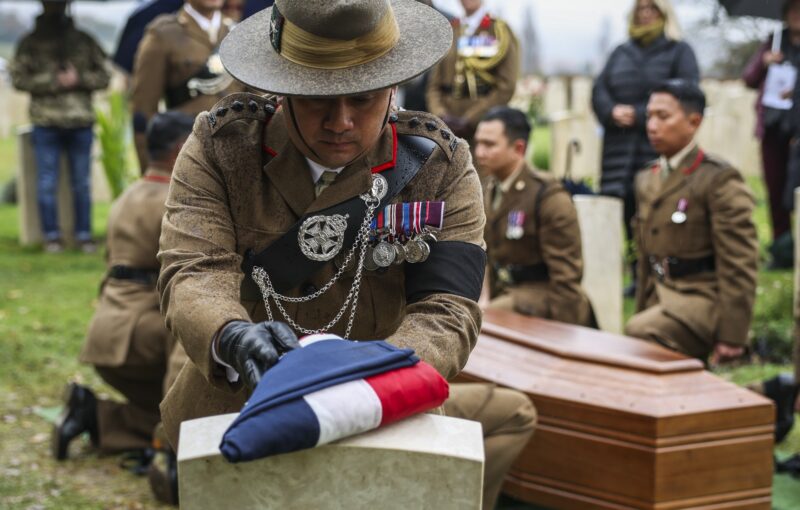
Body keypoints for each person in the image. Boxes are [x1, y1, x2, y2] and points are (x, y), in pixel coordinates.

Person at [156, 1, 534, 508]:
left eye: (363, 98)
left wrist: (363, 385)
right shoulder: (223, 146)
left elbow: (448, 309)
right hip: (240, 404)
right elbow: (193, 269)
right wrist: (233, 335)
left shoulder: (439, 165)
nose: (341, 121)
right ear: (282, 87)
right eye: (317, 100)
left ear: (393, 87)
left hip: (385, 409)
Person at [52, 112, 194, 465]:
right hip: (141, 337)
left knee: (165, 414)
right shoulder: (175, 202)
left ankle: (94, 417)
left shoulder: (127, 196)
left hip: (105, 334)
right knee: (193, 363)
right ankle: (176, 450)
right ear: (181, 150)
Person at [625, 80, 758, 364]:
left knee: (641, 334)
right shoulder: (647, 178)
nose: (652, 125)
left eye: (663, 116)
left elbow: (739, 260)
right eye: (649, 116)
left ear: (693, 121)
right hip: (660, 296)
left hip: (700, 298)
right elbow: (648, 254)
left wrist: (733, 335)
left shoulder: (717, 178)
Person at [591, 0, 699, 296]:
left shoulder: (679, 51)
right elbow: (599, 89)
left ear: (664, 14)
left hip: (653, 146)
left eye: (652, 8)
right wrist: (611, 110)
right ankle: (635, 275)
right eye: (641, 8)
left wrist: (640, 115)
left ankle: (658, 275)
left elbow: (687, 92)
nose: (646, 13)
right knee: (625, 211)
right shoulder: (620, 52)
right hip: (618, 148)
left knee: (655, 211)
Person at [476, 106, 595, 327]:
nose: (480, 152)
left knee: (489, 317)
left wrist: (564, 334)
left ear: (518, 148)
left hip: (543, 299)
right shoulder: (488, 190)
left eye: (489, 145)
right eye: (479, 143)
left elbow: (566, 277)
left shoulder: (547, 196)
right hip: (505, 294)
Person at [10, 0, 110, 253]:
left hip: (80, 121)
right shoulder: (30, 43)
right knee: (46, 182)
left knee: (82, 182)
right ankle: (51, 237)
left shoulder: (83, 41)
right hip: (46, 122)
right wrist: (53, 80)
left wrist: (79, 79)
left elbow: (104, 75)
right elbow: (19, 78)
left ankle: (84, 235)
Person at [130, 0, 244, 172]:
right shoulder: (163, 34)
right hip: (190, 158)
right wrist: (153, 172)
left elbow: (257, 101)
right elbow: (143, 113)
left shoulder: (238, 33)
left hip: (238, 152)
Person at [742, 0, 800, 269]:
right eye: (793, 9)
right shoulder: (774, 41)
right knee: (775, 191)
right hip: (773, 129)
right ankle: (781, 251)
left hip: (797, 130)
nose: (797, 15)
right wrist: (765, 62)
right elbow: (749, 78)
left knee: (795, 192)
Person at [425, 0, 519, 141]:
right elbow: (434, 85)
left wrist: (471, 119)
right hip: (446, 128)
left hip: (481, 127)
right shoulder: (451, 29)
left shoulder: (498, 30)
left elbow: (506, 86)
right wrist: (440, 115)